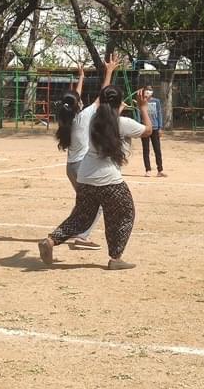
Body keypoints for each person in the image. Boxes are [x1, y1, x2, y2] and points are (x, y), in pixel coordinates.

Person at [39, 84, 152, 270]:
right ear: (117, 103)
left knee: (81, 217)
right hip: (109, 180)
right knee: (125, 214)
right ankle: (116, 258)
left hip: (85, 176)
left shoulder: (91, 120)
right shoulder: (122, 123)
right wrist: (143, 107)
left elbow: (107, 113)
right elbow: (148, 130)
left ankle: (51, 240)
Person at [53, 56, 119, 249]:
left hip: (70, 167)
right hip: (82, 168)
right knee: (96, 205)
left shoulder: (66, 120)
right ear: (78, 106)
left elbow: (74, 98)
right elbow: (102, 96)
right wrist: (109, 72)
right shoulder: (83, 118)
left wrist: (81, 77)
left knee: (83, 204)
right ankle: (82, 236)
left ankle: (70, 232)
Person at [141, 87, 166, 177]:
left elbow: (159, 114)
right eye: (146, 91)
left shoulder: (156, 101)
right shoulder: (141, 101)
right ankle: (148, 170)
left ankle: (160, 170)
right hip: (145, 128)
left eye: (149, 91)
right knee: (146, 150)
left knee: (157, 149)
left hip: (155, 128)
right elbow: (138, 114)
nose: (147, 93)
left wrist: (160, 127)